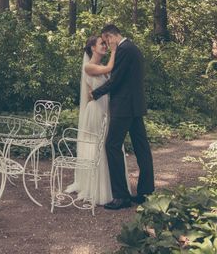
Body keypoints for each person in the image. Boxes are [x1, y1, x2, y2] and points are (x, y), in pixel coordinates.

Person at [91, 24, 155, 210]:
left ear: (111, 36)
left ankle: (121, 197)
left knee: (111, 145)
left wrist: (95, 94)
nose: (107, 44)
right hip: (134, 106)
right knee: (141, 147)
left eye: (107, 40)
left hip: (124, 107)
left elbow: (115, 80)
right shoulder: (133, 48)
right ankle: (145, 192)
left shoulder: (124, 50)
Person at [64, 35, 123, 205]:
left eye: (106, 44)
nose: (104, 46)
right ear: (92, 48)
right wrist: (114, 49)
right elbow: (112, 67)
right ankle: (94, 186)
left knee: (105, 146)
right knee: (96, 147)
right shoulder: (88, 67)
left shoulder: (102, 66)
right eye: (101, 44)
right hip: (95, 111)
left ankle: (109, 185)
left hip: (105, 110)